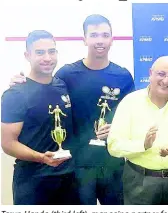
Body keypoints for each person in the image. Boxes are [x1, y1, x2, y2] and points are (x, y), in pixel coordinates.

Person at [9, 14, 135, 205]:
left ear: (112, 39)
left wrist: (117, 128)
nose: (99, 40)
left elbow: (131, 118)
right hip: (76, 169)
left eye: (104, 35)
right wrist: (20, 82)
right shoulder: (66, 74)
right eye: (93, 35)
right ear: (84, 39)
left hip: (113, 165)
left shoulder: (124, 76)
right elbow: (43, 85)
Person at [107, 56, 168, 205]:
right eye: (161, 74)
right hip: (139, 182)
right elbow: (114, 146)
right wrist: (143, 145)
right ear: (150, 73)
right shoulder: (130, 102)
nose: (166, 81)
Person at [1, 30, 79, 205]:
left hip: (68, 180)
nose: (47, 58)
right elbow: (7, 143)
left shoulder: (62, 85)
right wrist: (42, 157)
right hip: (33, 182)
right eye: (40, 52)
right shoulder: (15, 93)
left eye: (52, 51)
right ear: (27, 55)